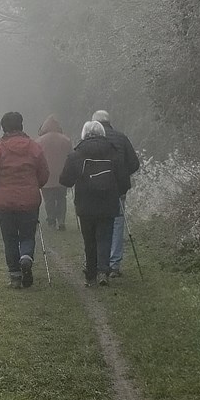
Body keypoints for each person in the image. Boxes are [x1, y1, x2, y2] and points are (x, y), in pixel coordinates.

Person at [0, 111, 51, 288]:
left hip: (5, 201)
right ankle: (26, 257)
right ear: (21, 125)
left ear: (3, 128)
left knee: (9, 237)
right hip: (30, 200)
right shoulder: (34, 147)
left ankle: (15, 276)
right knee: (27, 234)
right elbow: (44, 174)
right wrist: (34, 185)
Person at [61, 118, 130, 285]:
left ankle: (90, 274)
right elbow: (124, 181)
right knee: (105, 237)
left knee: (89, 239)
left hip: (85, 204)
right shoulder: (114, 153)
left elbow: (65, 180)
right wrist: (117, 192)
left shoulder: (77, 154)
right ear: (102, 133)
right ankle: (103, 272)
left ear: (85, 134)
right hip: (108, 203)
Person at [89, 110, 142, 278]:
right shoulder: (121, 137)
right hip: (118, 189)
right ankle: (114, 264)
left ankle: (99, 262)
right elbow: (134, 163)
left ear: (94, 123)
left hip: (96, 190)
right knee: (117, 224)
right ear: (109, 121)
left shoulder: (90, 140)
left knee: (98, 224)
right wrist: (123, 175)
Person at [35, 115, 74, 229]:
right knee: (62, 198)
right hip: (63, 175)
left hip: (46, 176)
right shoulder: (66, 140)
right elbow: (71, 157)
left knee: (49, 199)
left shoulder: (38, 142)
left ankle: (51, 219)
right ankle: (61, 220)